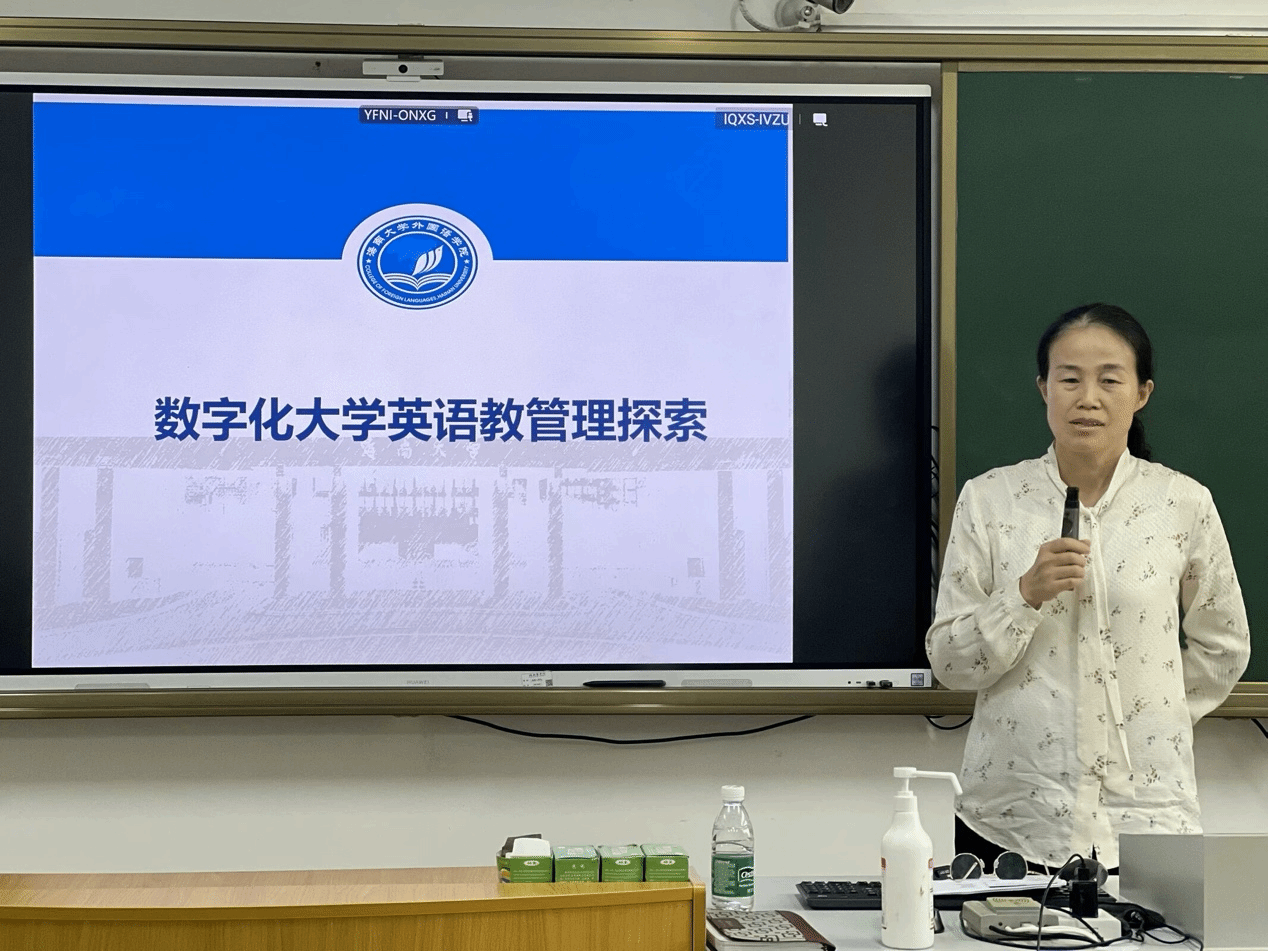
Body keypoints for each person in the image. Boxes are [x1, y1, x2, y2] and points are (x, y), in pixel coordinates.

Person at [926, 303, 1250, 870]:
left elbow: (1224, 645)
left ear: (1142, 393)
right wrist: (1022, 595)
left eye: (1110, 380)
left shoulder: (1183, 503)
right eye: (1069, 379)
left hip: (1148, 813)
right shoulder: (990, 499)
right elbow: (950, 662)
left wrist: (1153, 710)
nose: (1088, 398)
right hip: (1011, 816)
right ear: (1043, 388)